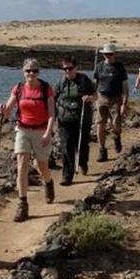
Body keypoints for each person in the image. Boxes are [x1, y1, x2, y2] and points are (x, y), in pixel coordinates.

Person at [0, 58, 56, 223]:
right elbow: (8, 111)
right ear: (23, 72)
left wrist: (47, 133)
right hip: (22, 129)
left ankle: (49, 182)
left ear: (39, 72)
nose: (31, 74)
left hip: (41, 131)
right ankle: (22, 204)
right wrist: (2, 109)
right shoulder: (19, 88)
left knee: (42, 165)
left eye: (34, 71)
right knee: (22, 165)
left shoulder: (46, 89)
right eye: (28, 71)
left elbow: (52, 114)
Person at [53, 55, 96, 184]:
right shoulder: (60, 83)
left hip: (82, 119)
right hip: (65, 120)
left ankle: (83, 162)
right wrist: (53, 118)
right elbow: (53, 99)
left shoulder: (84, 80)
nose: (67, 71)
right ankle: (67, 175)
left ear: (75, 68)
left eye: (69, 68)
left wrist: (89, 98)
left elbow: (95, 95)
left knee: (82, 145)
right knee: (66, 147)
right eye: (64, 69)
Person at [93, 43, 128, 162]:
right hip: (101, 98)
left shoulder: (119, 67)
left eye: (110, 54)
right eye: (106, 54)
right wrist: (93, 98)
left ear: (114, 54)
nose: (108, 56)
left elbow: (125, 87)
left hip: (115, 99)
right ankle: (102, 150)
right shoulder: (99, 66)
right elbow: (95, 83)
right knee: (100, 124)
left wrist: (124, 103)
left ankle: (117, 137)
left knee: (116, 126)